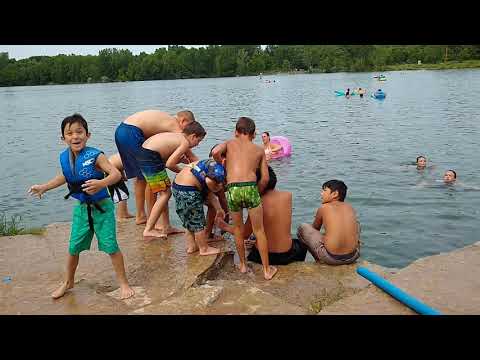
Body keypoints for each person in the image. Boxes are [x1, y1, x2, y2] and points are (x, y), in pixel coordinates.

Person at [28, 114, 134, 300]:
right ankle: (68, 282)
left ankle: (123, 283)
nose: (75, 136)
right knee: (73, 248)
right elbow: (66, 177)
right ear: (63, 138)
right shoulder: (65, 157)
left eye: (79, 132)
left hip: (102, 208)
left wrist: (102, 184)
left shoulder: (96, 155)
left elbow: (115, 174)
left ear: (87, 135)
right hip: (82, 209)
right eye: (69, 133)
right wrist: (44, 187)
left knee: (111, 246)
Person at [212, 116, 278, 280]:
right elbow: (265, 179)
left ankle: (242, 265)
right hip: (250, 188)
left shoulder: (229, 143)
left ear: (236, 132)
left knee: (239, 230)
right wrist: (257, 191)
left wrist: (221, 163)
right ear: (254, 134)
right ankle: (266, 270)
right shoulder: (258, 150)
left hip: (233, 189)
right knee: (259, 230)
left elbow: (214, 152)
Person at [114, 109, 197, 232]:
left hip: (122, 130)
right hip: (132, 132)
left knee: (141, 178)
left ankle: (141, 215)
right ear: (183, 120)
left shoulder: (165, 120)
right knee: (149, 179)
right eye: (188, 126)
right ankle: (155, 221)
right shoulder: (175, 125)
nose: (188, 131)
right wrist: (195, 164)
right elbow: (186, 146)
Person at [217, 166, 307, 265]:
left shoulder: (256, 202)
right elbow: (273, 224)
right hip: (287, 254)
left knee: (248, 242)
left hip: (265, 257)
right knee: (300, 244)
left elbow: (244, 234)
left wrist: (223, 225)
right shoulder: (287, 196)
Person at [137, 121, 206, 241]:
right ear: (193, 136)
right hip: (150, 157)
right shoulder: (184, 143)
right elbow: (170, 164)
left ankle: (166, 226)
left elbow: (191, 159)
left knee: (164, 192)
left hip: (144, 153)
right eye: (198, 141)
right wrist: (183, 173)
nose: (198, 144)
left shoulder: (179, 136)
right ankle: (149, 229)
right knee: (166, 193)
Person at [297, 180, 360, 265]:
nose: (321, 194)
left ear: (335, 194)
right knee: (356, 225)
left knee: (303, 228)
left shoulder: (324, 207)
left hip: (331, 258)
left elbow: (315, 229)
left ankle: (318, 260)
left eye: (324, 191)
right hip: (353, 256)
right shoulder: (350, 208)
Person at [172, 158, 226, 255]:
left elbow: (208, 192)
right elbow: (209, 182)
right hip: (189, 190)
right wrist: (218, 187)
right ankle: (204, 248)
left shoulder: (207, 163)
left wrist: (219, 209)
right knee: (198, 222)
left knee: (188, 220)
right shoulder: (218, 169)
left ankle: (192, 246)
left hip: (178, 186)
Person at [108, 153, 134, 220]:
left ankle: (125, 213)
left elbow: (120, 165)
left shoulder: (124, 152)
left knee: (124, 193)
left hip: (113, 169)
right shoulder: (131, 153)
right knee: (121, 195)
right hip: (111, 172)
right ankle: (121, 216)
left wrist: (123, 175)